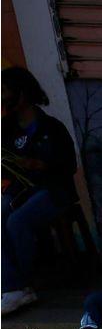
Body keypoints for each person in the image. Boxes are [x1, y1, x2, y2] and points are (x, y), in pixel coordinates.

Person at [1, 67, 79, 314]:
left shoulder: (51, 127)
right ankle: (11, 286)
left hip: (52, 191)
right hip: (19, 191)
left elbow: (69, 166)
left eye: (5, 91)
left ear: (22, 93)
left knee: (17, 222)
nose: (2, 97)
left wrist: (41, 165)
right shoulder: (6, 129)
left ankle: (21, 285)